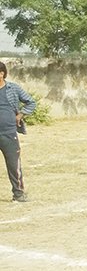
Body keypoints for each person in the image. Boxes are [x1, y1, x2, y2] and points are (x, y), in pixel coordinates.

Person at [0, 62, 36, 203]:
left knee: (14, 165)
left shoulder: (12, 88)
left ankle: (18, 193)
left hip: (8, 133)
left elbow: (31, 102)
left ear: (2, 73)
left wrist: (20, 115)